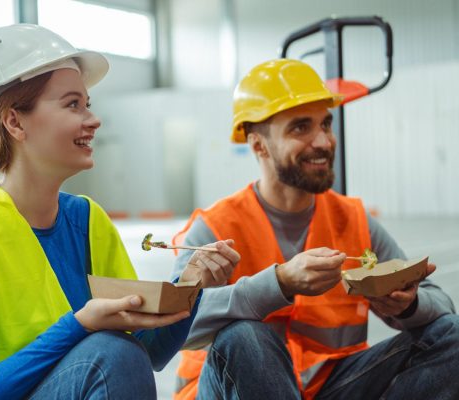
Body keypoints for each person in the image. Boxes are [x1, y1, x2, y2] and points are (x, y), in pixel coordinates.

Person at [0, 24, 240, 400]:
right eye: (72, 104)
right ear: (14, 121)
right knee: (109, 352)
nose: (93, 119)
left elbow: (150, 352)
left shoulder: (87, 219)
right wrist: (79, 325)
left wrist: (190, 287)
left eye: (87, 104)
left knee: (123, 352)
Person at [171, 59, 459, 400]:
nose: (323, 141)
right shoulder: (215, 228)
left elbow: (441, 303)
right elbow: (172, 325)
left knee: (450, 335)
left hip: (330, 387)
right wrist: (278, 283)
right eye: (300, 128)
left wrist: (407, 306)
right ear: (258, 145)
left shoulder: (353, 219)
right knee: (244, 336)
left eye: (326, 124)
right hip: (229, 390)